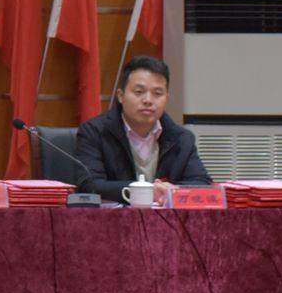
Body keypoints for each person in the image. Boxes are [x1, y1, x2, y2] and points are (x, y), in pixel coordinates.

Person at [75, 54, 212, 203]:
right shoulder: (94, 132)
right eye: (139, 92)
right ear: (120, 96)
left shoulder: (181, 138)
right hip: (114, 217)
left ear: (166, 98)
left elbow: (202, 183)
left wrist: (172, 191)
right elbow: (89, 185)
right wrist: (145, 191)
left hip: (165, 217)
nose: (148, 100)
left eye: (157, 93)